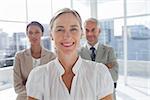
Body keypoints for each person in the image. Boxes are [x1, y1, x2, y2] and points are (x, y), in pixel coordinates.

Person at [26, 8, 113, 100]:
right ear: (51, 35)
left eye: (73, 29)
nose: (67, 35)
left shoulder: (99, 73)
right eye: (60, 30)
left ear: (81, 33)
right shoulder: (38, 76)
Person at [13, 21, 56, 100]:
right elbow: (17, 87)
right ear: (27, 34)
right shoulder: (19, 57)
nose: (33, 36)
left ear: (42, 34)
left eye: (37, 32)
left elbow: (52, 84)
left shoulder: (51, 57)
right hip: (24, 97)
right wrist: (37, 92)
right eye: (30, 33)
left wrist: (29, 85)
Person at [79, 18, 119, 100]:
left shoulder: (109, 50)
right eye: (87, 30)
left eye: (93, 30)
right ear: (83, 32)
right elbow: (77, 78)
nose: (90, 33)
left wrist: (88, 72)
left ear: (99, 31)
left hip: (107, 96)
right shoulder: (78, 53)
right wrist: (104, 68)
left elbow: (114, 76)